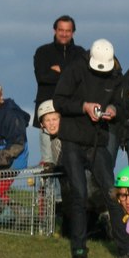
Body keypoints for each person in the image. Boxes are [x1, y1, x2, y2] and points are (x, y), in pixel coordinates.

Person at [53, 38, 129, 258]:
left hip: (98, 141)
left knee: (112, 193)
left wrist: (113, 110)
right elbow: (59, 101)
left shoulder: (116, 75)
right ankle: (79, 252)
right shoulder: (75, 69)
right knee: (79, 194)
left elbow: (122, 105)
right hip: (73, 140)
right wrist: (84, 106)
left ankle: (125, 250)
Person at [32, 16, 86, 163]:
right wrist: (69, 73)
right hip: (46, 114)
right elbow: (42, 77)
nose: (64, 34)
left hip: (70, 116)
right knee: (48, 161)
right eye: (61, 30)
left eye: (68, 31)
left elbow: (81, 80)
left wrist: (59, 69)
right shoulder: (42, 52)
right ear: (55, 30)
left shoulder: (81, 53)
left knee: (70, 160)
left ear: (73, 32)